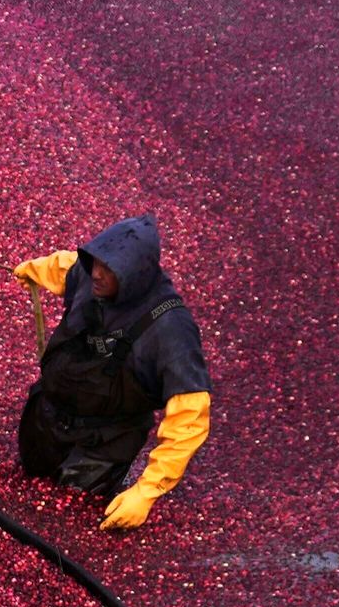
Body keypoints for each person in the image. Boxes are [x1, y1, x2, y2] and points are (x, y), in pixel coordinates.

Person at [13, 215, 212, 531]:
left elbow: (190, 416)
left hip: (103, 444)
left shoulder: (171, 330)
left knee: (64, 525)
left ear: (134, 275)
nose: (97, 274)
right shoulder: (89, 276)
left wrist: (146, 492)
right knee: (23, 496)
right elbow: (66, 267)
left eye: (109, 269)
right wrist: (33, 270)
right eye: (95, 262)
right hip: (47, 419)